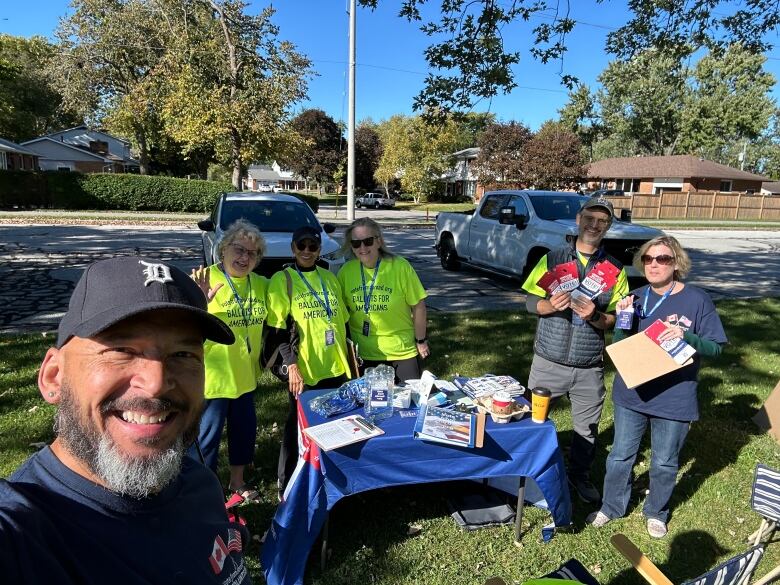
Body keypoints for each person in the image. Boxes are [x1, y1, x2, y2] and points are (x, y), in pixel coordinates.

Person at [0, 256, 253, 584]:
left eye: (183, 355)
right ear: (53, 376)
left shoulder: (199, 484)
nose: (157, 382)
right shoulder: (25, 535)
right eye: (121, 349)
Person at [587, 236, 726, 538]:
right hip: (632, 393)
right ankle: (611, 506)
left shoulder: (697, 299)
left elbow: (716, 348)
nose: (654, 264)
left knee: (664, 461)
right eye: (648, 259)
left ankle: (656, 512)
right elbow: (620, 346)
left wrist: (686, 337)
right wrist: (623, 320)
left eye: (662, 259)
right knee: (621, 456)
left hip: (674, 398)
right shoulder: (635, 297)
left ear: (676, 263)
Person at [521, 196, 628, 505]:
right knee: (533, 422)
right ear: (579, 219)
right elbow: (529, 300)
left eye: (602, 221)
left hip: (589, 364)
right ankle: (527, 475)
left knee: (587, 429)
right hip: (548, 361)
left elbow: (617, 320)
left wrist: (595, 315)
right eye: (590, 218)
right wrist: (547, 305)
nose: (594, 225)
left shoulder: (614, 270)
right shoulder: (553, 259)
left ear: (608, 226)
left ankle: (578, 475)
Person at [267, 226, 351, 495]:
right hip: (304, 368)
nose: (306, 251)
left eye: (312, 246)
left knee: (333, 424)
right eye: (301, 245)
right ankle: (288, 481)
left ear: (319, 250)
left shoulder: (330, 278)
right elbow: (278, 331)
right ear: (293, 249)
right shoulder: (283, 280)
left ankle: (325, 475)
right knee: (298, 427)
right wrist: (292, 364)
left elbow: (342, 325)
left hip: (335, 365)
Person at [191, 219, 268, 502]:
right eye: (239, 249)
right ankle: (203, 493)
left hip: (245, 376)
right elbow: (183, 329)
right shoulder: (205, 279)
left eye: (252, 253)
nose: (244, 257)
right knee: (205, 440)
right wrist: (197, 303)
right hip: (212, 378)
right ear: (223, 249)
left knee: (244, 432)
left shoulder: (260, 285)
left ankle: (238, 482)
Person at [337, 218, 429, 382]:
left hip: (401, 352)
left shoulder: (400, 267)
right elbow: (340, 313)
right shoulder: (346, 272)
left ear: (378, 241)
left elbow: (419, 305)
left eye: (368, 241)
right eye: (356, 243)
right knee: (370, 406)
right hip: (363, 354)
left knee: (408, 405)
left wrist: (420, 340)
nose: (362, 248)